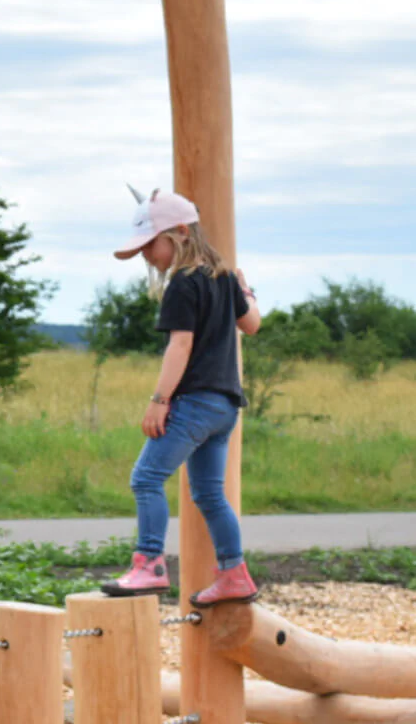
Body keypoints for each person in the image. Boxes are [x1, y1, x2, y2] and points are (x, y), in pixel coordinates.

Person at [99, 189, 262, 607]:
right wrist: (248, 291)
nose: (145, 254)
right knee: (208, 494)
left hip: (195, 402)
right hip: (225, 407)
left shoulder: (183, 283)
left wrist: (159, 400)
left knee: (146, 478)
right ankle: (234, 574)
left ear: (181, 234)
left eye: (150, 244)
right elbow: (252, 324)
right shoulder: (223, 278)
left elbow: (181, 345)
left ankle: (149, 565)